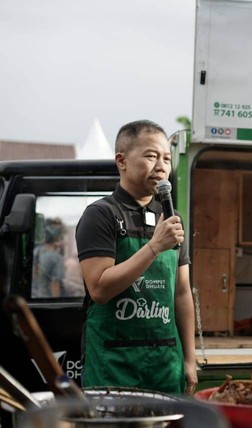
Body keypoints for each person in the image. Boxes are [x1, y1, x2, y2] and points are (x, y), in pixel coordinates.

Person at [76, 119, 197, 395]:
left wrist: (189, 359)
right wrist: (153, 247)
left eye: (166, 158)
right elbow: (99, 288)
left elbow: (181, 292)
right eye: (151, 156)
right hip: (114, 364)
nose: (162, 166)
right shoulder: (101, 215)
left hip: (166, 365)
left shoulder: (171, 218)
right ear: (121, 160)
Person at [32, 217, 65, 298]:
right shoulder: (56, 258)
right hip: (47, 299)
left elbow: (36, 275)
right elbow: (55, 285)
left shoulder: (36, 251)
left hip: (37, 296)